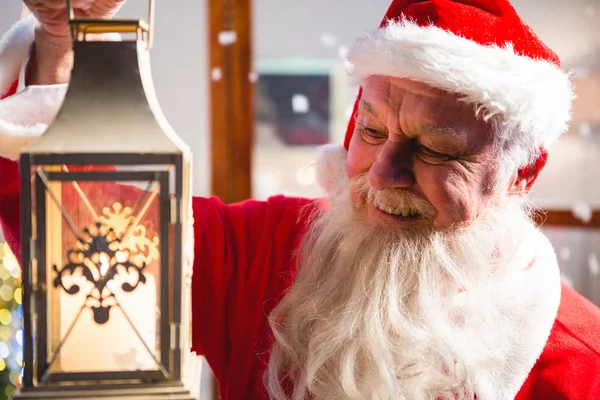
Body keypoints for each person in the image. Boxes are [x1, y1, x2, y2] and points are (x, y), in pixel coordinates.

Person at [0, 0, 599, 398]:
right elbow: (79, 235)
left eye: (436, 148)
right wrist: (63, 41)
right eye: (371, 130)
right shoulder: (271, 250)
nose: (385, 172)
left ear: (519, 176)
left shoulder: (578, 366)